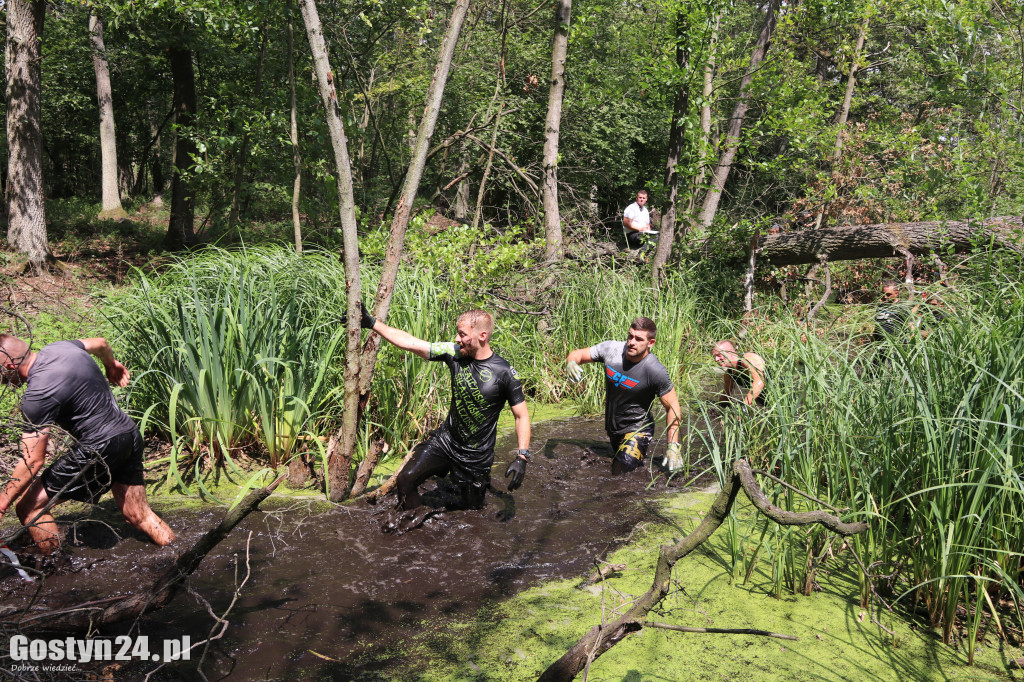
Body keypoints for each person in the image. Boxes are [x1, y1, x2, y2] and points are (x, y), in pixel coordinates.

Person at [0, 335, 174, 553]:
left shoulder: (37, 395)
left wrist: (2, 502)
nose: (2, 380)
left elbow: (33, 460)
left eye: (1, 374)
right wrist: (111, 365)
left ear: (10, 365)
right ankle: (181, 558)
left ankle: (56, 570)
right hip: (128, 434)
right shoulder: (61, 347)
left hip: (100, 447)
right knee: (139, 515)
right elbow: (101, 343)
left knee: (29, 508)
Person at [361, 305, 531, 512]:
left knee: (472, 513)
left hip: (475, 457)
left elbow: (521, 415)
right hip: (445, 441)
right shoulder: (454, 353)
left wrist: (522, 457)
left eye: (462, 334)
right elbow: (411, 343)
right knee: (406, 480)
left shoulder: (505, 373)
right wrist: (372, 323)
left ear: (482, 336)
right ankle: (413, 524)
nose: (457, 339)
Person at [564, 317, 683, 473]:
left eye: (639, 339)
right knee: (620, 468)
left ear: (650, 343)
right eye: (630, 336)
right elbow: (578, 354)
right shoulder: (611, 349)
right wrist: (571, 362)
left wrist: (673, 445)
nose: (632, 342)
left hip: (638, 430)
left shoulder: (655, 371)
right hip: (613, 430)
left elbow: (673, 407)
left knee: (620, 471)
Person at [712, 340, 767, 407]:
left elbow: (760, 380)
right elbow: (725, 398)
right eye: (714, 356)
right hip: (765, 400)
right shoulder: (729, 375)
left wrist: (744, 406)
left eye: (718, 355)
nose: (716, 359)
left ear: (730, 351)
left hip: (780, 394)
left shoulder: (748, 359)